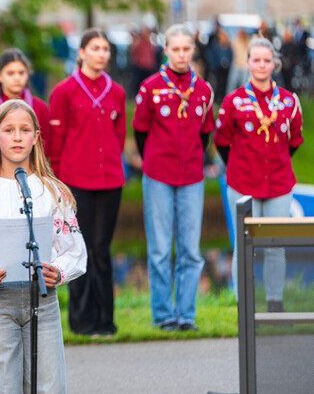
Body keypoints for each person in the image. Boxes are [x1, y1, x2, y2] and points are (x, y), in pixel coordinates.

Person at [0, 99, 87, 393]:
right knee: (0, 385)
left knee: (49, 384)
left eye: (25, 130)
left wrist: (58, 271)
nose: (18, 137)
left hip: (43, 301)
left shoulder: (51, 191)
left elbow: (75, 249)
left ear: (36, 137)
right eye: (9, 130)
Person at [132, 24, 215, 332]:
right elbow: (140, 131)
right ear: (165, 51)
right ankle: (164, 314)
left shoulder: (203, 90)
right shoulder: (150, 87)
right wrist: (153, 157)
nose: (181, 55)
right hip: (158, 175)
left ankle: (186, 314)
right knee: (160, 249)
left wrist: (192, 158)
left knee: (191, 251)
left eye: (186, 49)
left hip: (191, 175)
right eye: (175, 49)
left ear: (193, 50)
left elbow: (205, 133)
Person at [215, 37, 303, 312]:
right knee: (244, 245)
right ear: (248, 62)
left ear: (274, 64)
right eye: (256, 60)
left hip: (278, 184)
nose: (261, 65)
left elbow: (294, 140)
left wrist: (274, 163)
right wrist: (242, 166)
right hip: (243, 184)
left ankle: (275, 302)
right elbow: (221, 141)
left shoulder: (289, 101)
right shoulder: (234, 101)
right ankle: (244, 303)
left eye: (267, 60)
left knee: (275, 245)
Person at [49, 28, 126, 337]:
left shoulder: (116, 91)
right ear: (81, 53)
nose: (101, 54)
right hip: (74, 180)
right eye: (95, 48)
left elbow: (119, 136)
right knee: (78, 248)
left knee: (101, 248)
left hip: (109, 180)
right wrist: (56, 181)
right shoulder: (65, 91)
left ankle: (105, 319)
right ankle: (81, 321)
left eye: (105, 49)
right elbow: (56, 140)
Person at [0, 48, 50, 179]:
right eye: (11, 73)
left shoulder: (40, 107)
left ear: (28, 74)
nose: (17, 77)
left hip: (33, 178)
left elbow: (46, 149)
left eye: (21, 72)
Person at [227, 29, 250, 94]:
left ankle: (243, 97)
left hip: (245, 67)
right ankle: (229, 98)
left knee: (244, 84)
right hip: (236, 65)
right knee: (232, 84)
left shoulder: (248, 42)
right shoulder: (235, 41)